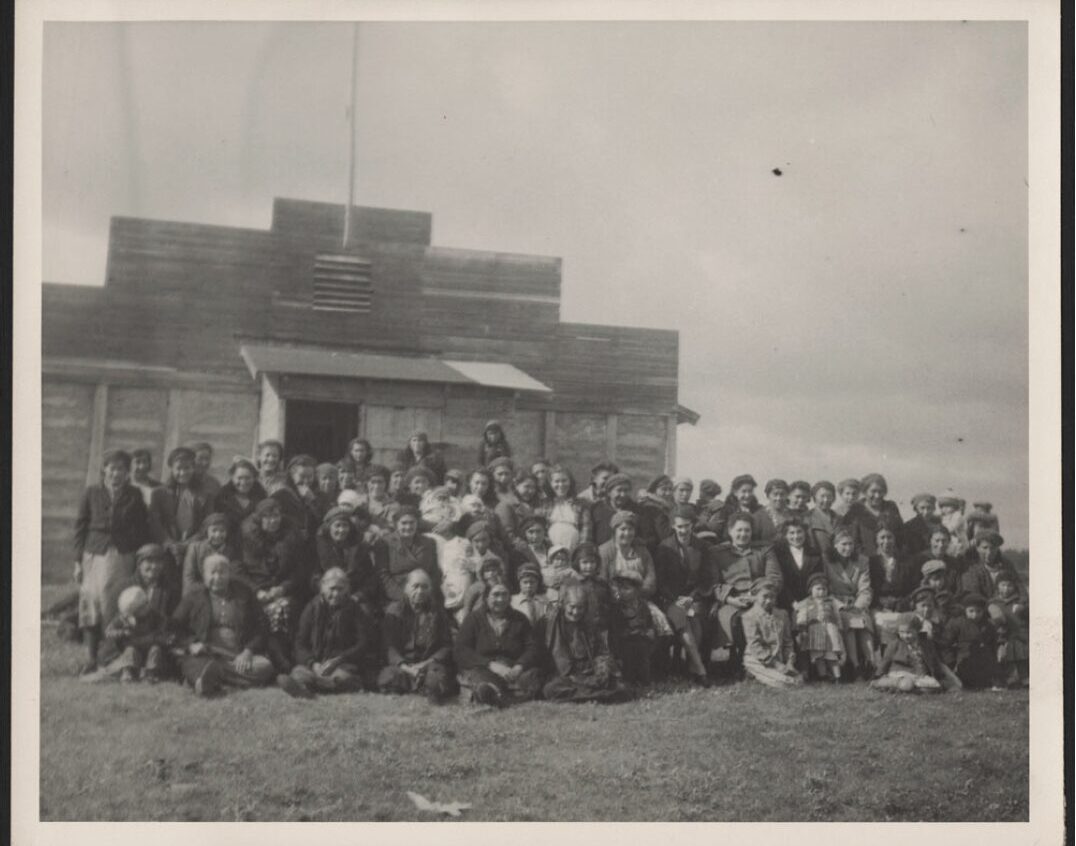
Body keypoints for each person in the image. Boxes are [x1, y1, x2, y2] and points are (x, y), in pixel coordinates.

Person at [73, 449, 150, 676]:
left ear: (128, 473)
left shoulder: (134, 495)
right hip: (93, 554)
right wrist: (77, 562)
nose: (116, 474)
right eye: (113, 468)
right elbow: (80, 528)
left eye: (122, 470)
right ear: (104, 469)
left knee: (113, 603)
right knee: (89, 602)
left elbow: (142, 529)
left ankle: (111, 655)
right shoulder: (91, 493)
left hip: (122, 555)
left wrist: (138, 558)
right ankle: (89, 656)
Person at [171, 554, 276, 696]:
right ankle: (216, 678)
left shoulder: (244, 593)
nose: (217, 577)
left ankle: (210, 679)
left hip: (237, 655)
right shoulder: (193, 596)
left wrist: (248, 651)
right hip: (207, 654)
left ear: (229, 573)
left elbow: (263, 626)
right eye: (212, 572)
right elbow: (173, 626)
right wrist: (190, 644)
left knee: (265, 667)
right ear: (204, 575)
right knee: (190, 661)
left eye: (222, 572)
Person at [278, 568, 379, 699]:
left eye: (340, 589)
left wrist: (340, 659)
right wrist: (313, 664)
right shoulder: (312, 607)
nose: (336, 594)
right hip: (316, 664)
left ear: (347, 589)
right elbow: (300, 643)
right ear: (323, 588)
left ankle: (314, 686)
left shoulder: (355, 609)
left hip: (342, 664)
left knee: (343, 677)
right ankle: (318, 684)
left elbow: (363, 643)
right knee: (300, 672)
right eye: (332, 589)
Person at [708, 513, 782, 672]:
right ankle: (738, 658)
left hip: (761, 598)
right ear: (730, 531)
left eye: (747, 530)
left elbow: (774, 577)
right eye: (739, 530)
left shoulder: (764, 550)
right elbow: (712, 583)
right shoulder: (717, 552)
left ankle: (758, 659)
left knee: (759, 616)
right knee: (734, 620)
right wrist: (729, 599)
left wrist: (759, 597)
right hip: (732, 600)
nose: (743, 534)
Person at [238, 498, 306, 671]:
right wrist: (257, 590)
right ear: (259, 519)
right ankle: (270, 656)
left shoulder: (291, 537)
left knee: (284, 607)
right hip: (254, 589)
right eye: (267, 517)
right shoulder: (246, 538)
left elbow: (300, 570)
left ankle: (282, 655)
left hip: (282, 590)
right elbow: (238, 570)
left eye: (276, 516)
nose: (273, 520)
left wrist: (283, 588)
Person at [454, 581, 544, 706]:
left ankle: (499, 698)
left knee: (534, 676)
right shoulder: (473, 619)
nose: (500, 599)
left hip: (513, 669)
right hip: (484, 668)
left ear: (509, 597)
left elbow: (533, 647)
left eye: (504, 595)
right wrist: (491, 665)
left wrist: (519, 666)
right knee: (480, 680)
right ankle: (499, 695)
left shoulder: (520, 619)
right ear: (486, 598)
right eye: (495, 595)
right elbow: (461, 650)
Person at [543, 583, 632, 704]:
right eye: (572, 607)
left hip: (589, 673)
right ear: (564, 605)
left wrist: (602, 667)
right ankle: (599, 696)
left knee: (621, 687)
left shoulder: (590, 624)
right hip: (566, 675)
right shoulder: (551, 624)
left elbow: (601, 651)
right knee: (550, 689)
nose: (575, 612)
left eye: (580, 608)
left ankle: (585, 695)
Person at [652, 505, 711, 685]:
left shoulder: (701, 547)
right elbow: (660, 581)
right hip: (670, 599)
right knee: (683, 618)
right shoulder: (665, 547)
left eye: (687, 526)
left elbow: (706, 578)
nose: (683, 530)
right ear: (673, 527)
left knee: (696, 620)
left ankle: (691, 666)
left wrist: (692, 597)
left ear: (692, 525)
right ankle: (699, 668)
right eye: (679, 526)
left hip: (694, 597)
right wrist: (676, 600)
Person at [378, 569, 457, 703]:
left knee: (436, 679)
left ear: (430, 590)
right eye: (415, 586)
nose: (420, 591)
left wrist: (424, 664)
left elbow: (446, 646)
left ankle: (424, 685)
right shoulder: (394, 611)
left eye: (424, 587)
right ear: (406, 588)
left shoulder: (437, 612)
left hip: (429, 664)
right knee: (387, 677)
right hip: (404, 665)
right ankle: (417, 685)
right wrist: (406, 667)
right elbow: (389, 646)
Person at [92, 585, 174, 684]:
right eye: (137, 611)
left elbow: (164, 629)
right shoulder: (125, 618)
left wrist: (162, 637)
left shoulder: (155, 616)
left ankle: (150, 673)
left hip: (149, 646)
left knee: (155, 650)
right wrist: (122, 633)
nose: (144, 610)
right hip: (133, 647)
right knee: (130, 651)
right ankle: (127, 671)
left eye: (145, 606)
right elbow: (109, 631)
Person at [158, 446, 213, 589]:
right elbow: (155, 523)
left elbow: (207, 524)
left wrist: (187, 544)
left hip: (194, 546)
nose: (183, 473)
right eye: (178, 468)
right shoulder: (160, 493)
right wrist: (170, 544)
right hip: (168, 548)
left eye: (187, 468)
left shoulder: (204, 494)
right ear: (171, 469)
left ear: (193, 467)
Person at [825, 527, 876, 679]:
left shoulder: (862, 561)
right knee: (849, 622)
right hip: (836, 603)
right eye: (843, 544)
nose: (848, 548)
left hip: (856, 603)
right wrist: (840, 605)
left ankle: (871, 662)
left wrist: (858, 606)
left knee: (864, 621)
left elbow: (865, 588)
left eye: (851, 544)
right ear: (835, 545)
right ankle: (855, 665)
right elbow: (826, 588)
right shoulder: (827, 561)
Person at [315, 505, 382, 616]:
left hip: (354, 597)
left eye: (345, 526)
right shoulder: (319, 548)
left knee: (364, 613)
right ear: (329, 527)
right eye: (337, 526)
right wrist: (328, 592)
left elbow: (370, 579)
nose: (341, 530)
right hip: (328, 595)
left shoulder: (358, 548)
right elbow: (314, 576)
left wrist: (358, 596)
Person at [740, 578, 803, 689]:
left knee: (799, 680)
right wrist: (776, 665)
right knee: (787, 683)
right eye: (765, 597)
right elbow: (755, 645)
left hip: (779, 659)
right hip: (758, 658)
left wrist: (789, 662)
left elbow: (787, 641)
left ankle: (763, 676)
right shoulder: (749, 616)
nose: (769, 600)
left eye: (772, 597)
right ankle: (753, 672)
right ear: (755, 597)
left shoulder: (782, 614)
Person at [374, 506, 442, 605]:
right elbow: (383, 576)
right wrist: (403, 597)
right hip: (397, 595)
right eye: (404, 523)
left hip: (424, 593)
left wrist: (427, 594)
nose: (408, 527)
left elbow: (435, 572)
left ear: (417, 524)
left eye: (412, 523)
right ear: (396, 524)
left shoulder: (429, 542)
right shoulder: (384, 543)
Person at [868, 526, 919, 647]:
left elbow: (912, 587)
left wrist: (902, 602)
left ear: (895, 539)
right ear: (876, 540)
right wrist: (881, 604)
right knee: (882, 626)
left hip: (902, 606)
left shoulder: (906, 561)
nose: (886, 541)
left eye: (889, 537)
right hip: (879, 607)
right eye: (882, 537)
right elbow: (869, 587)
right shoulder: (871, 562)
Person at [871, 614, 946, 693]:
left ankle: (906, 689)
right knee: (907, 684)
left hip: (919, 676)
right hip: (901, 673)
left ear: (917, 630)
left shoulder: (925, 644)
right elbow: (886, 660)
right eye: (902, 632)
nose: (905, 636)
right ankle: (885, 683)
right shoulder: (896, 643)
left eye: (909, 632)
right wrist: (878, 675)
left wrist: (939, 675)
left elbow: (934, 660)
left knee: (935, 686)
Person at [608, 571, 659, 687]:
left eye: (626, 588)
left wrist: (648, 631)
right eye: (620, 588)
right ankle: (629, 678)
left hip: (642, 639)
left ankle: (644, 678)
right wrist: (629, 633)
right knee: (629, 652)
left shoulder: (642, 606)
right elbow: (616, 629)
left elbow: (648, 622)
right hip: (624, 641)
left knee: (643, 652)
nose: (622, 592)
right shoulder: (617, 608)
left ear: (637, 591)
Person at [941, 594, 1000, 689]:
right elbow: (946, 643)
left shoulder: (988, 625)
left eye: (978, 611)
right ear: (965, 610)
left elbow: (993, 646)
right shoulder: (958, 623)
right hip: (964, 660)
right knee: (966, 679)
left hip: (984, 661)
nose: (975, 615)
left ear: (983, 611)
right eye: (971, 611)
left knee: (985, 681)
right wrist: (951, 661)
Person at [794, 573, 845, 682]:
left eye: (824, 589)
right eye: (818, 589)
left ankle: (837, 677)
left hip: (830, 631)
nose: (821, 592)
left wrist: (840, 627)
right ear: (810, 590)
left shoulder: (831, 601)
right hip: (815, 631)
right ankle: (823, 676)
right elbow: (802, 615)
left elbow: (837, 615)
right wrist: (802, 626)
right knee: (818, 656)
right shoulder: (806, 602)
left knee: (831, 655)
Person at [838, 473, 903, 555]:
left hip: (891, 560)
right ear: (864, 491)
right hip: (865, 562)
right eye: (873, 491)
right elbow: (853, 542)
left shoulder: (891, 507)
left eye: (880, 491)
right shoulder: (856, 510)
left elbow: (901, 536)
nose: (877, 495)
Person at [773, 517, 826, 614]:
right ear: (785, 535)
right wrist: (792, 602)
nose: (796, 536)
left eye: (799, 532)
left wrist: (810, 600)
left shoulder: (814, 554)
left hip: (811, 603)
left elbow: (818, 579)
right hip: (786, 603)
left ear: (805, 533)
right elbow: (781, 582)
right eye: (792, 533)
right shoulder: (779, 555)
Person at [538, 464, 593, 552]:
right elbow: (539, 528)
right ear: (550, 484)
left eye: (564, 481)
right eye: (556, 481)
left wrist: (581, 550)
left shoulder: (581, 504)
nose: (561, 485)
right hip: (549, 549)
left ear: (570, 482)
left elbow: (586, 529)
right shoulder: (544, 504)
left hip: (575, 549)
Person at [962, 529, 1026, 602]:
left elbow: (1020, 587)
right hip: (981, 609)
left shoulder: (1006, 564)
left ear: (997, 548)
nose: (989, 552)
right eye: (985, 548)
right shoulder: (971, 567)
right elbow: (973, 594)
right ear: (977, 548)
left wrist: (1020, 604)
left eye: (993, 548)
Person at [988, 573, 1029, 688]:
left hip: (1020, 634)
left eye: (1009, 585)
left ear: (1014, 587)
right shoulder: (993, 603)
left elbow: (1027, 617)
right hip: (1002, 636)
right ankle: (1010, 677)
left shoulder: (1020, 602)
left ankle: (1025, 676)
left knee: (1021, 651)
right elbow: (992, 622)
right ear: (997, 586)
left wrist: (1023, 609)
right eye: (1003, 585)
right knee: (1004, 653)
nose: (1006, 589)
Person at [563, 542, 614, 631]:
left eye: (592, 562)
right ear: (577, 563)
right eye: (585, 562)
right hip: (578, 630)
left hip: (601, 630)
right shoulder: (570, 584)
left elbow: (609, 605)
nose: (589, 566)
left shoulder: (602, 584)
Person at [182, 512, 236, 596]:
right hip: (199, 595)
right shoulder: (195, 549)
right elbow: (188, 580)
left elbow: (233, 578)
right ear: (206, 531)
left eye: (222, 531)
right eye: (214, 530)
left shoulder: (230, 551)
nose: (217, 535)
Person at [213, 457, 266, 538]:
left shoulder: (262, 496)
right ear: (232, 477)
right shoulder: (222, 497)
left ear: (254, 478)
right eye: (239, 478)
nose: (243, 482)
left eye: (248, 478)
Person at [129, 542, 178, 620]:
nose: (154, 566)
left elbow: (171, 619)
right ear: (139, 564)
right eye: (149, 561)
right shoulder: (126, 587)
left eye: (158, 562)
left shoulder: (170, 589)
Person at [708, 474, 762, 542]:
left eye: (750, 491)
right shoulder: (726, 511)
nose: (747, 495)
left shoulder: (759, 510)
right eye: (744, 491)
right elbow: (719, 533)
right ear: (735, 492)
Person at [511, 562, 552, 628]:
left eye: (532, 582)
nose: (529, 585)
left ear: (538, 583)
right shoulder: (513, 601)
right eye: (525, 582)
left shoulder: (545, 600)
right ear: (519, 583)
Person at [806, 481, 839, 557]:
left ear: (833, 498)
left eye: (829, 496)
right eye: (822, 496)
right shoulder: (807, 518)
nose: (826, 500)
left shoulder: (839, 518)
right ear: (814, 497)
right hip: (817, 562)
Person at [753, 478, 792, 543]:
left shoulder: (794, 515)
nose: (778, 498)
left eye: (782, 494)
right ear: (768, 496)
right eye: (775, 494)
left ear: (787, 495)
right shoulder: (757, 517)